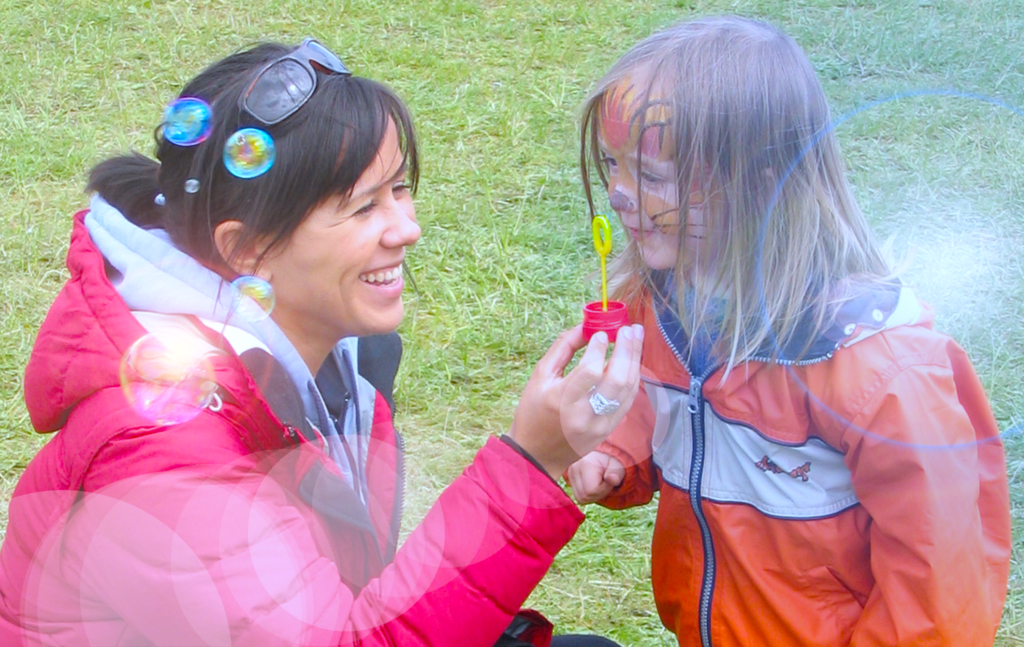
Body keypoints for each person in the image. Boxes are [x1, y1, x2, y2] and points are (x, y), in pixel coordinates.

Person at [0, 38, 644, 647]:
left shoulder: (323, 362)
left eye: (399, 189)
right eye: (363, 207)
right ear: (246, 249)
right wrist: (530, 463)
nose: (407, 229)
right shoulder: (167, 460)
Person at [566, 15, 1011, 646]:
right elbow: (651, 406)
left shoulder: (881, 373)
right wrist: (612, 453)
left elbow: (939, 589)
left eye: (652, 175)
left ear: (760, 182)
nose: (616, 193)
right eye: (612, 164)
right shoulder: (657, 306)